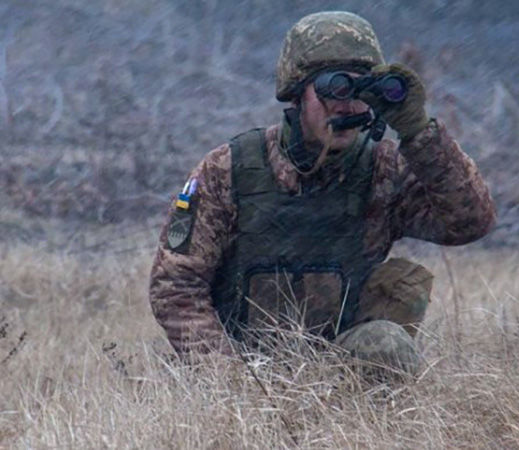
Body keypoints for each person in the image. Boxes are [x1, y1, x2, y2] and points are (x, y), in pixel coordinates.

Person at [148, 11, 495, 375]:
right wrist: (232, 381)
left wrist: (417, 131)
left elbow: (470, 223)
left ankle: (369, 432)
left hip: (340, 368)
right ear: (298, 93)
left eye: (362, 91)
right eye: (334, 88)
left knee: (385, 346)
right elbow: (176, 287)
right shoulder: (229, 169)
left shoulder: (384, 169)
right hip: (242, 365)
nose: (348, 105)